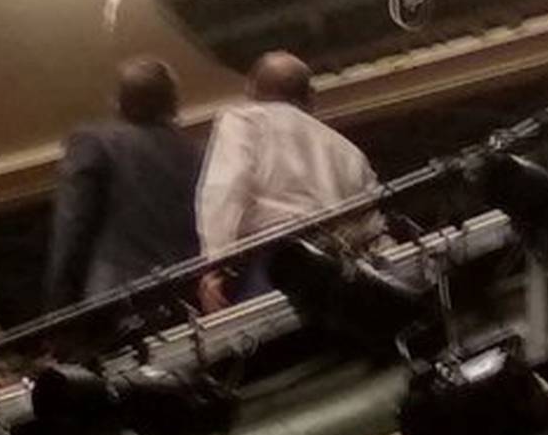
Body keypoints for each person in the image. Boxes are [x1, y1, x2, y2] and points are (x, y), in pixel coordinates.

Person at [197, 51, 385, 312]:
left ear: (251, 93)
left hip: (273, 264)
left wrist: (214, 266)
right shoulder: (348, 152)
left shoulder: (243, 122)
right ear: (310, 97)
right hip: (337, 270)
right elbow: (370, 225)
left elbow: (225, 191)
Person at [45, 58, 201, 310]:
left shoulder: (92, 142)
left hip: (118, 297)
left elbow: (72, 226)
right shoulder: (191, 149)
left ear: (119, 100)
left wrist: (58, 313)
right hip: (186, 292)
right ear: (172, 103)